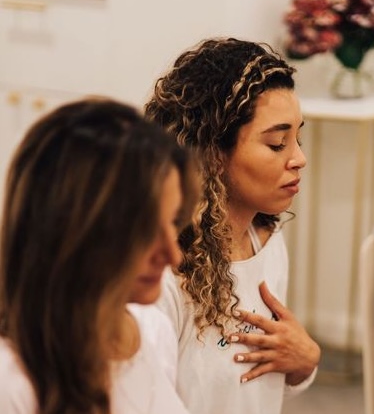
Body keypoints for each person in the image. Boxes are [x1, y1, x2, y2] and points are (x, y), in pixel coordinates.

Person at [144, 37, 321, 414]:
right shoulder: (162, 273)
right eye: (278, 144)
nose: (299, 159)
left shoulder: (268, 242)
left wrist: (303, 363)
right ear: (213, 154)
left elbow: (251, 388)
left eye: (298, 138)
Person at [0, 98, 200, 414]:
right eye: (145, 230)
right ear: (74, 231)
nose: (173, 255)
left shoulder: (148, 330)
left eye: (174, 222)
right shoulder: (12, 382)